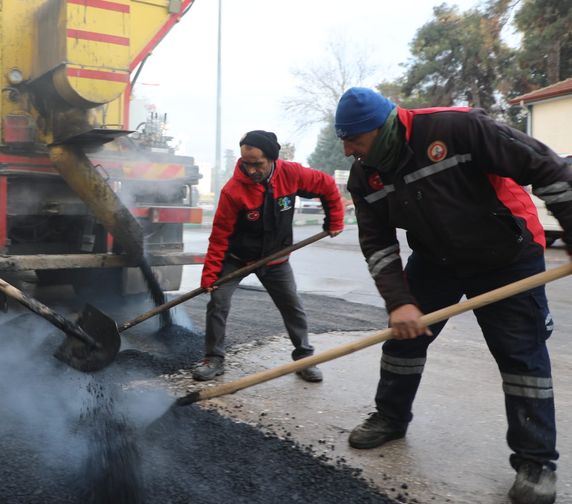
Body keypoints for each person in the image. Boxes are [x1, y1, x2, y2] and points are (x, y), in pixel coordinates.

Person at [336, 87, 572, 504]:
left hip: (506, 255)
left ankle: (536, 463)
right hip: (436, 260)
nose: (346, 149)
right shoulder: (365, 174)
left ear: (380, 128)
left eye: (353, 139)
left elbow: (548, 168)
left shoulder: (457, 128)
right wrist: (399, 302)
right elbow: (378, 245)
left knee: (521, 357)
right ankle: (391, 417)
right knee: (402, 341)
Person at [194, 130, 345, 382]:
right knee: (218, 302)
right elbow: (219, 236)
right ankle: (213, 359)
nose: (251, 170)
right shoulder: (233, 191)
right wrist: (210, 275)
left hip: (276, 258)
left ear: (272, 158)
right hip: (237, 258)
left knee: (292, 306)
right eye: (246, 163)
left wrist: (334, 220)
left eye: (258, 164)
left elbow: (327, 185)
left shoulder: (292, 174)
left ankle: (305, 358)